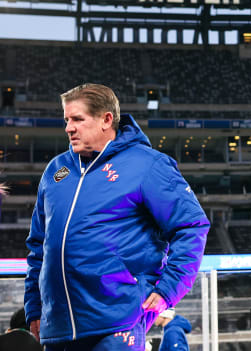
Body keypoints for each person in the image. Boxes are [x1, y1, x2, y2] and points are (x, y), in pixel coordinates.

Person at [24, 83, 210, 350]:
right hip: (58, 327)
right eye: (66, 120)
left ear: (106, 120)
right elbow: (37, 246)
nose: (68, 128)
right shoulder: (56, 170)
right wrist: (34, 308)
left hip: (117, 323)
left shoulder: (147, 165)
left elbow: (192, 227)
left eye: (77, 119)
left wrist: (168, 290)